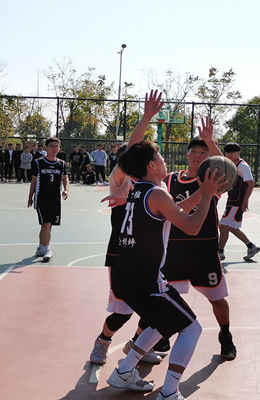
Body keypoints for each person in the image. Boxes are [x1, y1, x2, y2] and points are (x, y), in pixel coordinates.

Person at [106, 140, 222, 400]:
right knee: (192, 328)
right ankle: (170, 392)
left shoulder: (136, 190)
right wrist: (206, 195)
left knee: (163, 322)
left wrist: (203, 192)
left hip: (125, 276)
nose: (164, 161)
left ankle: (124, 372)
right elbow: (191, 226)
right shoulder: (157, 194)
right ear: (151, 165)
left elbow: (176, 211)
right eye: (160, 157)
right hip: (147, 280)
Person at [89, 90, 164, 367]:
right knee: (123, 311)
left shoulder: (157, 185)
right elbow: (131, 152)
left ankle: (137, 344)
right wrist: (146, 117)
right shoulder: (122, 179)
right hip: (123, 252)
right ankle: (103, 341)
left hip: (152, 254)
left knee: (155, 306)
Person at [161, 118, 237, 361]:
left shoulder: (213, 180)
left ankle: (225, 335)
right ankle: (161, 333)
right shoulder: (170, 180)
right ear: (187, 154)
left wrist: (209, 140)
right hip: (174, 247)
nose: (198, 155)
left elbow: (226, 167)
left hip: (203, 249)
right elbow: (168, 211)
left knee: (217, 298)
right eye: (194, 151)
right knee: (163, 296)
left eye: (203, 152)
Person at [27, 137, 69, 262]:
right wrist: (30, 197)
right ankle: (47, 249)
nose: (54, 149)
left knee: (48, 225)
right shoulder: (38, 163)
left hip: (55, 199)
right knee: (46, 224)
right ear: (46, 148)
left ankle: (41, 247)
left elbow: (65, 178)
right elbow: (33, 181)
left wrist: (66, 190)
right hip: (41, 198)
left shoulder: (61, 163)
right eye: (51, 146)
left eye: (56, 146)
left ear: (59, 148)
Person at [218, 143, 260, 261]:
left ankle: (220, 250)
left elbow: (250, 183)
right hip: (232, 199)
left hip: (237, 201)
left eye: (232, 152)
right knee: (228, 226)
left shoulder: (242, 166)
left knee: (224, 225)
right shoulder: (231, 165)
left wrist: (245, 201)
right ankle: (250, 246)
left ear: (239, 153)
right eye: (227, 152)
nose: (229, 155)